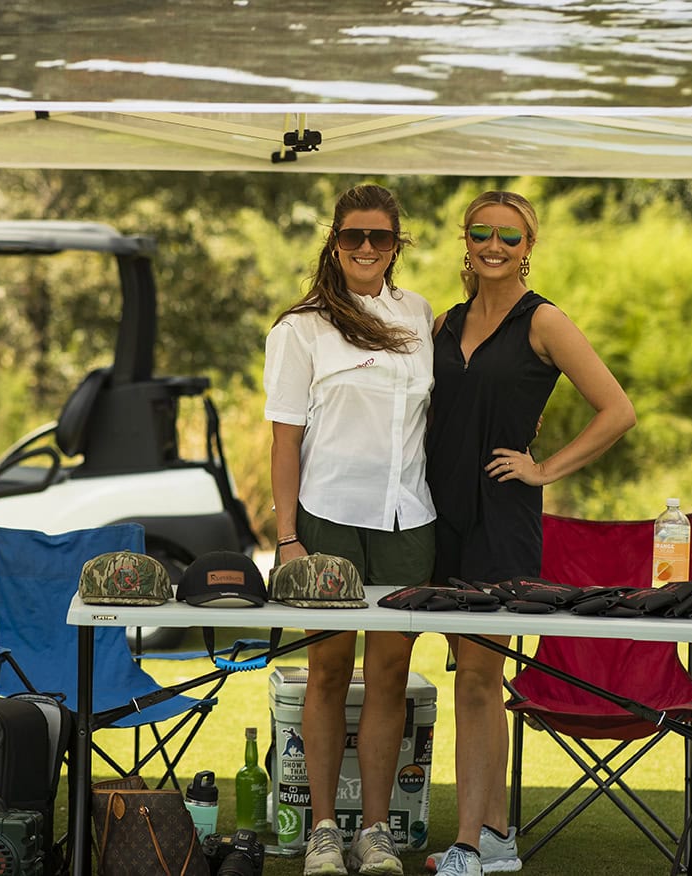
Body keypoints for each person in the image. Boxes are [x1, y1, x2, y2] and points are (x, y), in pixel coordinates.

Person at [425, 191, 636, 876]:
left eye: (509, 237)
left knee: (477, 678)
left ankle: (467, 845)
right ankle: (493, 837)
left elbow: (617, 410)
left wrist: (543, 469)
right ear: (465, 241)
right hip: (440, 516)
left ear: (528, 247)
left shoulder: (544, 321)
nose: (494, 246)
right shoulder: (443, 322)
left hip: (501, 518)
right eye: (481, 233)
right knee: (475, 678)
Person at [264, 183, 436, 876]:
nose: (366, 248)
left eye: (380, 237)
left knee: (390, 676)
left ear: (396, 245)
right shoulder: (299, 328)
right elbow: (283, 441)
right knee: (329, 672)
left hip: (409, 521)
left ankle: (376, 832)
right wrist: (287, 537)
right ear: (334, 243)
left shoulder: (419, 314)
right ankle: (324, 832)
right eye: (353, 236)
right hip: (326, 518)